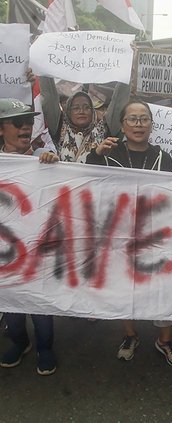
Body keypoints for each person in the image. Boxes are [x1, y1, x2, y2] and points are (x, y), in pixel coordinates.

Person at [86, 99, 172, 367]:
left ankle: (164, 340)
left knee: (164, 288)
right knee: (125, 288)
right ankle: (130, 335)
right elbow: (86, 177)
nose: (138, 124)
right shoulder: (108, 154)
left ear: (152, 125)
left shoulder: (161, 157)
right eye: (132, 119)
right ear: (122, 125)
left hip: (156, 237)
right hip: (120, 236)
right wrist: (96, 154)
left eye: (144, 119)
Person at [0, 98, 59, 376]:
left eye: (29, 121)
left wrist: (53, 165)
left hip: (38, 249)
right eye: (17, 122)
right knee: (11, 306)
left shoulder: (43, 159)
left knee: (40, 307)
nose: (26, 127)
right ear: (1, 129)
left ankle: (45, 348)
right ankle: (20, 342)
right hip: (5, 252)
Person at [39, 77, 129, 163]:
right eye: (76, 108)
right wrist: (45, 67)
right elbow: (48, 96)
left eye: (86, 108)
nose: (81, 111)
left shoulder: (104, 129)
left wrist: (125, 73)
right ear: (69, 112)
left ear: (92, 111)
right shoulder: (60, 127)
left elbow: (119, 102)